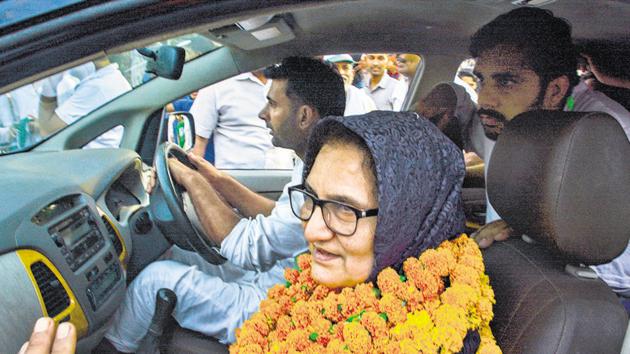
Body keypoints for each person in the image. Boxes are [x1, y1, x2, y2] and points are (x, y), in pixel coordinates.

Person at [102, 57, 346, 351]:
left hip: (274, 306)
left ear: (305, 116)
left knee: (154, 281)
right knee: (174, 253)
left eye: (273, 104)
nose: (262, 114)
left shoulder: (324, 178)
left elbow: (246, 246)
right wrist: (216, 180)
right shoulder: (313, 161)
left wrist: (191, 181)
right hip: (274, 276)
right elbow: (277, 217)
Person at [231, 112, 500, 352]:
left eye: (345, 209)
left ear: (404, 218)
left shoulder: (438, 337)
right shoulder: (316, 292)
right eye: (310, 198)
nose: (312, 231)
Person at [420, 7, 630, 296]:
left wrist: (534, 235)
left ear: (555, 90)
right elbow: (464, 111)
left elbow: (622, 267)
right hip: (502, 278)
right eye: (481, 80)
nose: (485, 99)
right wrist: (449, 92)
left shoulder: (609, 135)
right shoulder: (506, 116)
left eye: (506, 81)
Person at [190, 70, 293, 169]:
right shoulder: (217, 83)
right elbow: (197, 142)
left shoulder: (287, 77)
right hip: (234, 181)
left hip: (286, 179)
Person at [37, 57, 132, 149]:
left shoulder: (97, 87)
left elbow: (47, 130)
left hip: (92, 160)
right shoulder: (113, 79)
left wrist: (49, 87)